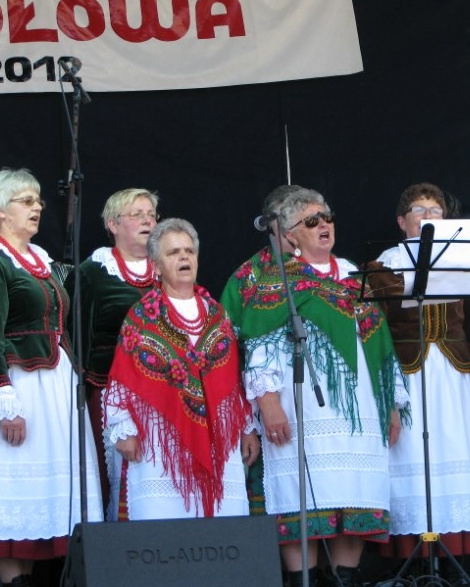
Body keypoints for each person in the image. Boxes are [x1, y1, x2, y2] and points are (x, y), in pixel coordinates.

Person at [235, 187, 408, 587]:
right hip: (303, 410)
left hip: (360, 408)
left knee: (353, 495)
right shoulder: (277, 282)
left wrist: (391, 404)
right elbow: (259, 348)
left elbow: (380, 345)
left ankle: (344, 579)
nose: (324, 225)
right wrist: (269, 405)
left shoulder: (352, 276)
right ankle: (304, 580)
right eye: (311, 221)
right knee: (302, 500)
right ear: (290, 234)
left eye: (327, 217)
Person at [0, 168, 103, 587]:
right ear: (0, 211)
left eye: (37, 200)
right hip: (13, 382)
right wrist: (3, 396)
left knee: (45, 496)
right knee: (13, 490)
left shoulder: (42, 264)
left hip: (51, 385)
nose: (37, 207)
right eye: (25, 201)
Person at [365, 183, 470, 576]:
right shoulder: (384, 266)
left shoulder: (464, 260)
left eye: (435, 211)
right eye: (419, 210)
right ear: (402, 222)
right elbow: (375, 332)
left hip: (454, 374)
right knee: (414, 455)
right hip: (409, 375)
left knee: (456, 448)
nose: (428, 217)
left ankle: (458, 561)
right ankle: (417, 562)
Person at [104, 218, 259, 520]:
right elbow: (123, 378)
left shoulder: (217, 315)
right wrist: (123, 429)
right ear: (156, 266)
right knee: (165, 523)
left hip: (217, 437)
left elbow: (232, 379)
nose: (184, 257)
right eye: (173, 252)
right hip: (160, 440)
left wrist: (246, 428)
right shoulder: (143, 316)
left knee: (223, 524)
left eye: (189, 251)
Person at [64, 188, 160, 513]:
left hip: (165, 392)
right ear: (113, 224)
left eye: (151, 215)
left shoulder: (169, 267)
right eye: (137, 214)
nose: (147, 221)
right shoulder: (92, 274)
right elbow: (75, 342)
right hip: (109, 393)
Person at [220, 184, 303, 517]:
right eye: (289, 215)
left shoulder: (334, 271)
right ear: (271, 223)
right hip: (267, 406)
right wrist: (247, 422)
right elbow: (227, 354)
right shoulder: (247, 278)